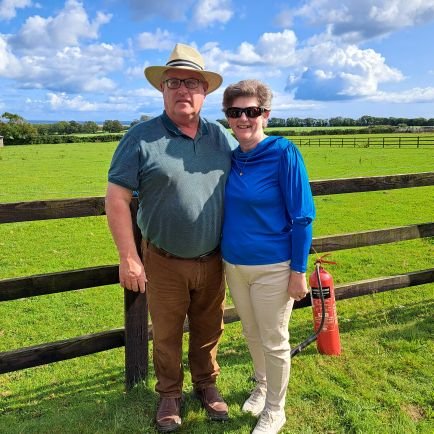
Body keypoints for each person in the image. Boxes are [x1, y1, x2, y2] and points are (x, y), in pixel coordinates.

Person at [105, 43, 237, 433]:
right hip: (162, 259)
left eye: (192, 83)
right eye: (175, 82)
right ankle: (169, 393)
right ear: (162, 89)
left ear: (205, 91)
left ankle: (207, 385)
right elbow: (116, 199)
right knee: (164, 332)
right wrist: (129, 256)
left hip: (214, 258)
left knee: (209, 328)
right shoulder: (141, 138)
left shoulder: (220, 138)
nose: (184, 90)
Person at [221, 79, 316, 434]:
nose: (243, 118)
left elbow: (302, 216)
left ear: (266, 115)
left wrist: (298, 270)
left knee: (274, 338)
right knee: (250, 332)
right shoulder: (231, 159)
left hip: (274, 267)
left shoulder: (283, 152)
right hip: (233, 264)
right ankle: (262, 386)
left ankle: (276, 409)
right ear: (228, 118)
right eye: (235, 112)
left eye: (252, 111)